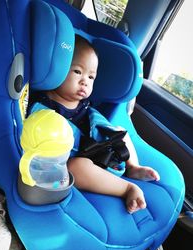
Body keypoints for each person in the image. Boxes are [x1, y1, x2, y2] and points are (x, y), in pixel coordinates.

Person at [30, 35, 160, 213]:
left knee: (121, 131)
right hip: (76, 159)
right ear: (57, 68)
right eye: (77, 72)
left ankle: (133, 167)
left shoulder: (85, 105)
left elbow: (101, 126)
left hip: (102, 148)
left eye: (91, 77)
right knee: (76, 168)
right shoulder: (42, 107)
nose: (85, 81)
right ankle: (127, 188)